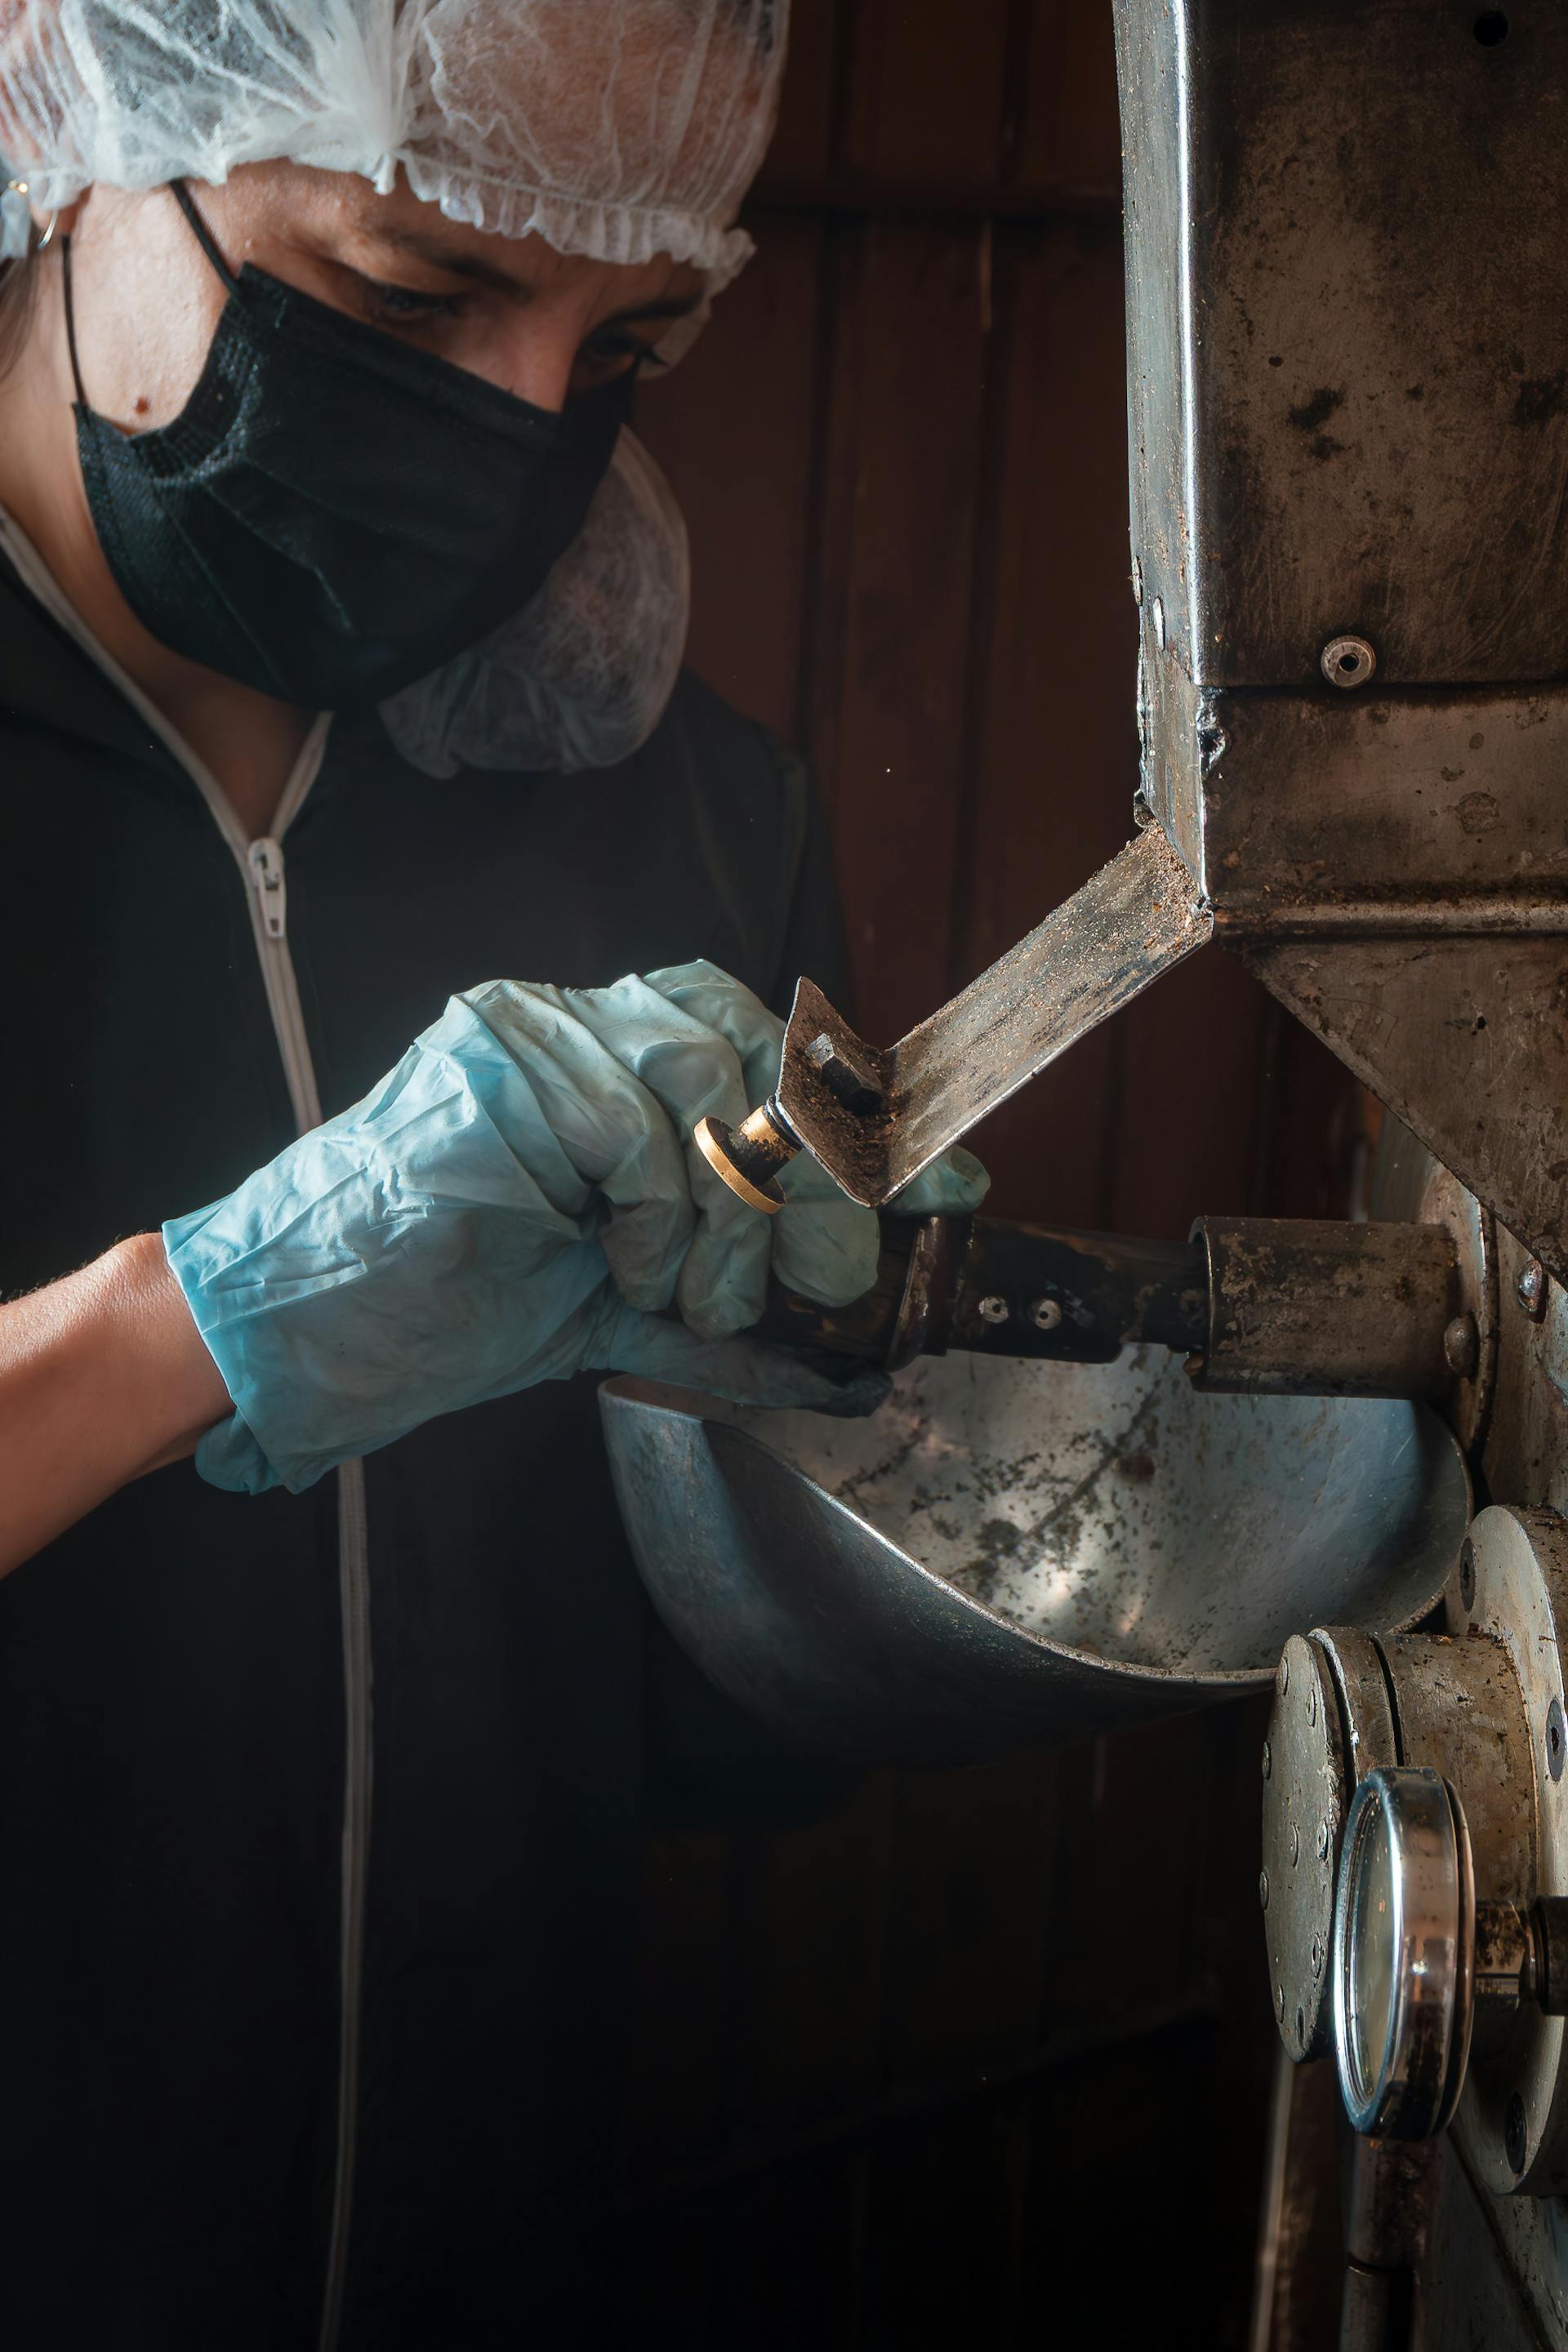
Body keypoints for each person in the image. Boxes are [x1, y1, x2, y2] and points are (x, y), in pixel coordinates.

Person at [0, 6, 986, 2346]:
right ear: (78, 118)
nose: (524, 431)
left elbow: (721, 1700)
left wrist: (911, 1481)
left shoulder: (685, 818)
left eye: (627, 335)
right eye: (410, 299)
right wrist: (181, 1324)